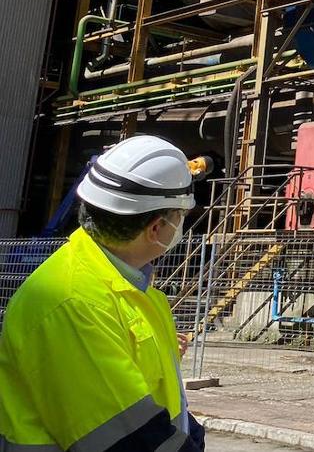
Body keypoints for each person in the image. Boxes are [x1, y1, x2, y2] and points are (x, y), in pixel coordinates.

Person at [0, 136, 206, 452]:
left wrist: (190, 432)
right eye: (180, 217)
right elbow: (125, 438)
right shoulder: (71, 301)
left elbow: (151, 392)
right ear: (156, 228)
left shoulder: (139, 292)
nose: (181, 226)